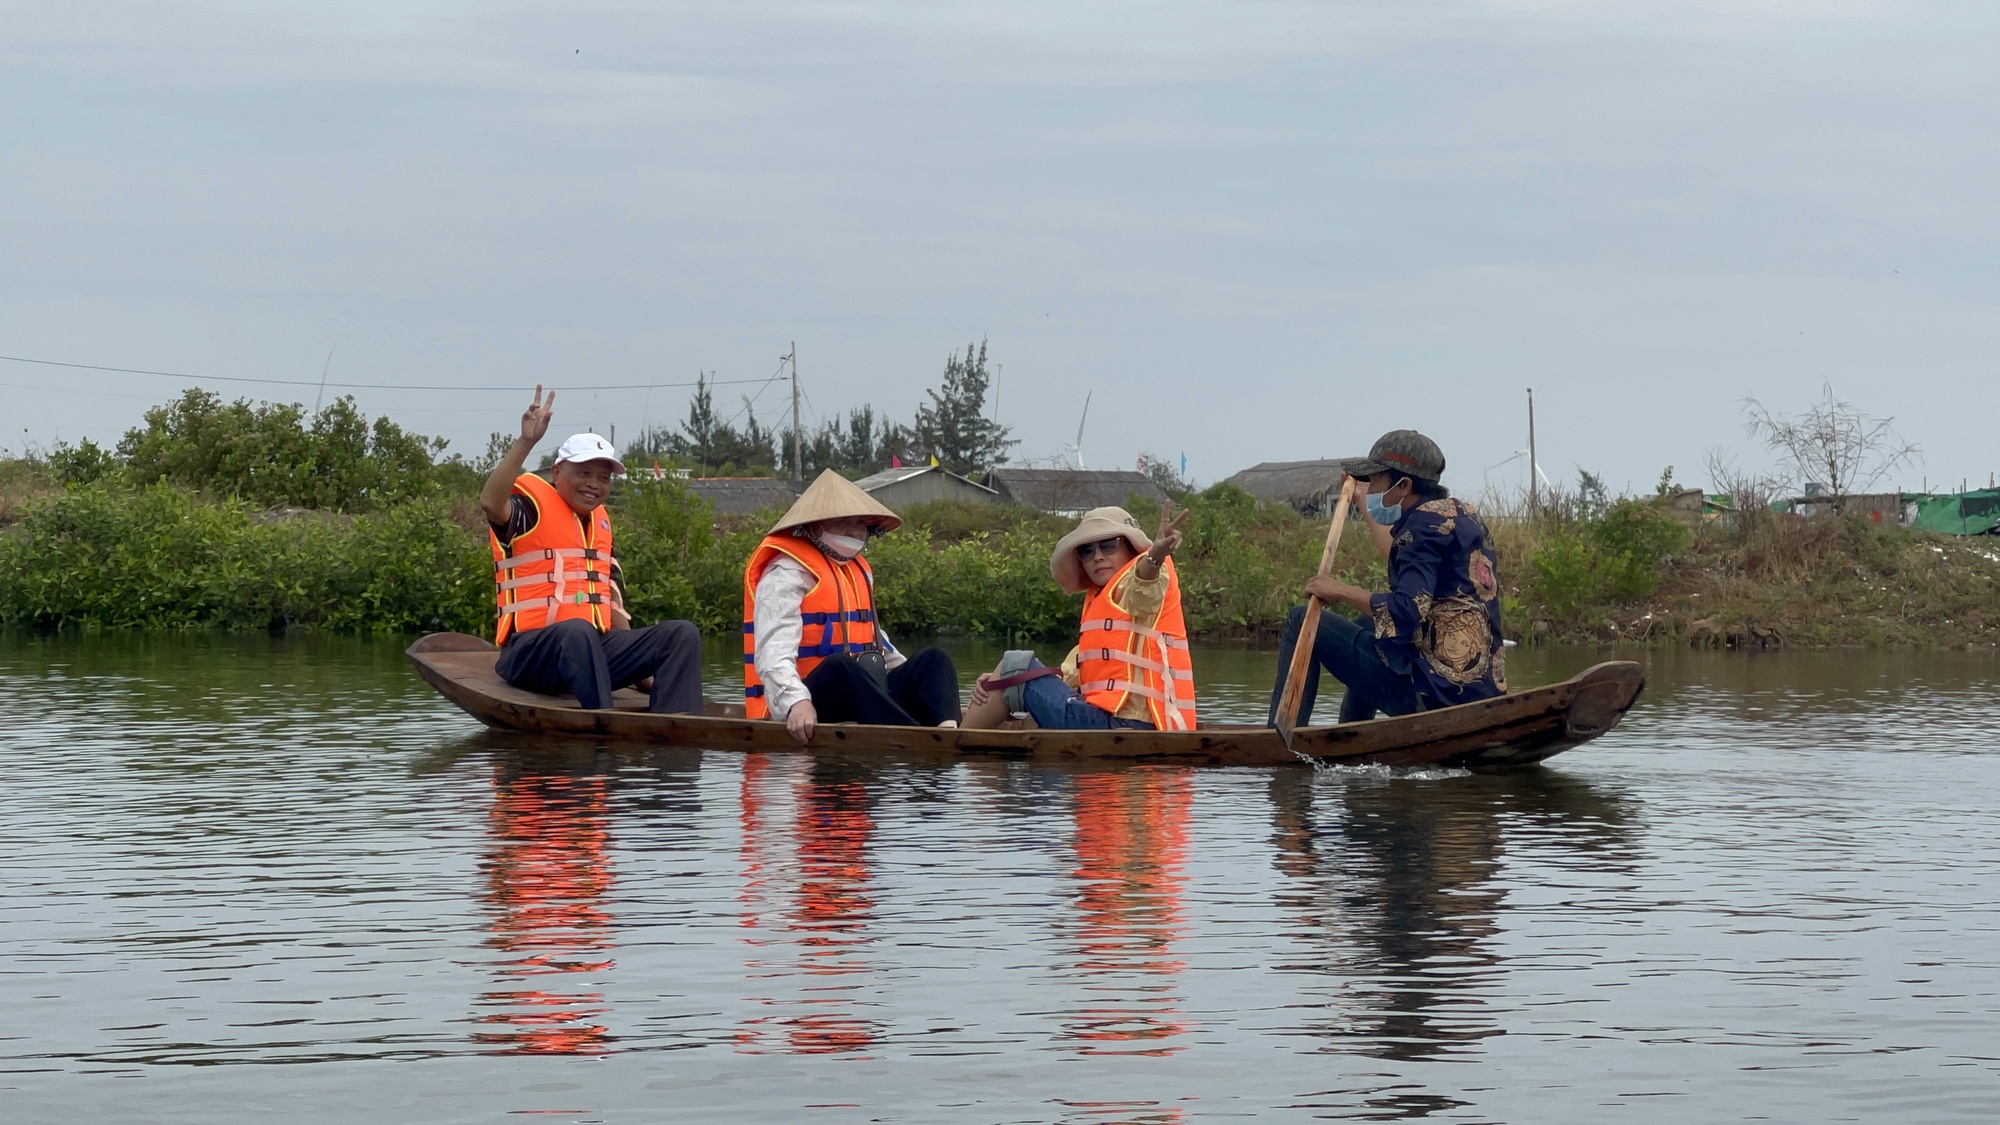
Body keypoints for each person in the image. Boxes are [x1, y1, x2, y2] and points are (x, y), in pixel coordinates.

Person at [481, 386, 703, 712]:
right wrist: (526, 441)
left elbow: (608, 599)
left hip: (590, 651)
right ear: (557, 473)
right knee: (577, 631)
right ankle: (602, 726)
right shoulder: (528, 511)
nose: (594, 484)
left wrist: (641, 668)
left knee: (682, 633)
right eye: (583, 473)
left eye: (603, 478)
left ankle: (676, 728)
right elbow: (490, 502)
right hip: (531, 656)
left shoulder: (598, 527)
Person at [1267, 429, 1505, 727]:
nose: (1370, 488)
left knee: (1301, 619)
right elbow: (1401, 552)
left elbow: (1406, 613)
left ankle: (1279, 738)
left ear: (1404, 485)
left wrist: (1340, 591)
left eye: (1376, 480)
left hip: (1433, 697)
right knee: (1369, 624)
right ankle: (1352, 733)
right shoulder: (1460, 516)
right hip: (1474, 691)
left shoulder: (1421, 528)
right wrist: (1360, 500)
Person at [743, 469, 962, 744]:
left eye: (859, 522)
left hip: (863, 697)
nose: (853, 529)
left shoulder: (858, 571)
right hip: (806, 704)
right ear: (814, 526)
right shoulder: (784, 573)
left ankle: (948, 733)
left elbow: (877, 643)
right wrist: (795, 702)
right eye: (843, 520)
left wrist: (920, 686)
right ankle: (917, 739)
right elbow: (772, 653)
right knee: (841, 668)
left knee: (934, 659)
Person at [963, 503, 1196, 731]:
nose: (1097, 557)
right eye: (1087, 550)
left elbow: (1143, 591)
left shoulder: (1149, 575)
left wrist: (1155, 557)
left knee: (1015, 662)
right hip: (1112, 722)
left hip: (1127, 726)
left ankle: (956, 745)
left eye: (1108, 545)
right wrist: (1002, 682)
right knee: (1013, 671)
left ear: (1130, 549)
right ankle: (969, 727)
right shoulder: (1101, 601)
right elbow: (1069, 676)